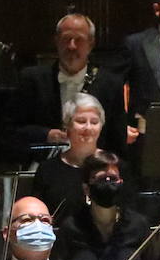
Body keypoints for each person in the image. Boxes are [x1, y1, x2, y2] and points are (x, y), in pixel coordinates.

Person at [5, 14, 128, 163]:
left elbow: (117, 141)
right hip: (42, 167)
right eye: (66, 39)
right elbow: (10, 131)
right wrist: (46, 135)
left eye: (79, 40)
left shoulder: (110, 84)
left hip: (92, 169)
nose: (72, 46)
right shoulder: (32, 79)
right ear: (56, 41)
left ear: (91, 44)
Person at [52, 150, 159, 260]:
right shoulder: (71, 228)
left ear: (121, 184)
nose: (108, 184)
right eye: (102, 179)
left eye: (113, 179)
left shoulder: (138, 225)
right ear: (86, 188)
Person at [31, 93, 126, 221]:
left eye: (94, 122)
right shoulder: (47, 170)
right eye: (81, 121)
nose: (88, 128)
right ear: (67, 126)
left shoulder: (116, 167)